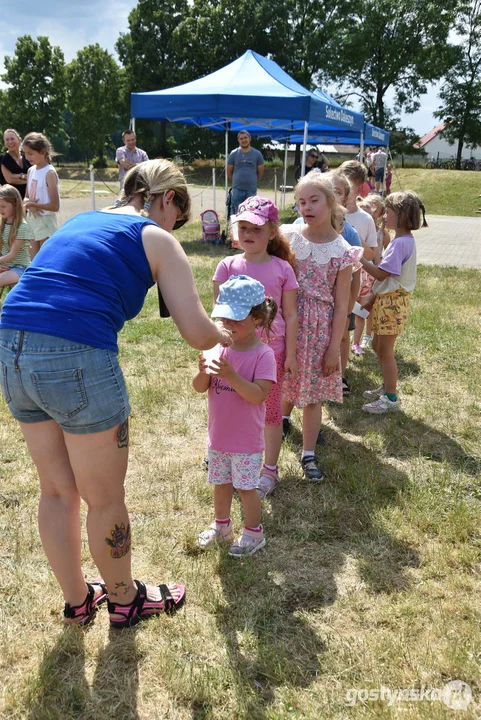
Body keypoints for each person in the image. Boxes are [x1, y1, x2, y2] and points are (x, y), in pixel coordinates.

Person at [0, 158, 232, 628]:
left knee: (56, 490)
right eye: (179, 218)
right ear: (169, 199)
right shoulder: (156, 237)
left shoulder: (86, 219)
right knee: (104, 497)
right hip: (76, 351)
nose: (176, 228)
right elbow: (196, 332)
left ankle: (78, 600)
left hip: (11, 342)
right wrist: (227, 335)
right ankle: (126, 600)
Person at [213, 197, 298, 497]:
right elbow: (218, 313)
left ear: (272, 232)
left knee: (270, 414)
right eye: (243, 227)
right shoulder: (227, 266)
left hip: (271, 354)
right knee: (233, 409)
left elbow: (290, 314)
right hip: (234, 353)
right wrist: (218, 347)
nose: (248, 234)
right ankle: (228, 456)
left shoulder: (283, 268)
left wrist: (291, 354)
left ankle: (269, 470)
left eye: (256, 229)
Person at [280, 174, 363, 482]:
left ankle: (308, 452)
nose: (307, 207)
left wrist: (333, 348)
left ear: (332, 202)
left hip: (319, 330)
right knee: (286, 379)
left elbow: (342, 304)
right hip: (288, 321)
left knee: (313, 394)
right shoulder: (289, 236)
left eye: (314, 200)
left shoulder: (342, 250)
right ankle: (282, 421)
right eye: (301, 201)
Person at [193, 275, 277, 557]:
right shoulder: (216, 348)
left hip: (246, 441)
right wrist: (203, 370)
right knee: (221, 484)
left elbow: (258, 395)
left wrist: (230, 374)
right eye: (223, 319)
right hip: (219, 437)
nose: (227, 326)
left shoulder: (262, 355)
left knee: (246, 489)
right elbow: (198, 388)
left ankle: (254, 533)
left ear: (257, 318)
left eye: (235, 320)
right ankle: (222, 526)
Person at [359, 191, 426, 414]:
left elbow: (380, 275)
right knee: (378, 346)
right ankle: (387, 385)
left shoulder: (400, 244)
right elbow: (388, 278)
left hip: (393, 304)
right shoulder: (402, 240)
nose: (384, 216)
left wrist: (359, 257)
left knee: (385, 350)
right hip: (389, 302)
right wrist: (372, 298)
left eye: (388, 212)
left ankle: (391, 398)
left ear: (402, 215)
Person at [328, 172, 362, 395]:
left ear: (346, 198)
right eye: (328, 189)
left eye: (337, 192)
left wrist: (350, 305)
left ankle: (339, 377)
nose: (332, 195)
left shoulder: (349, 233)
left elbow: (356, 275)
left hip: (341, 299)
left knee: (341, 335)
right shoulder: (302, 225)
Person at [353, 195, 391, 353]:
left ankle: (367, 336)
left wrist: (380, 265)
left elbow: (385, 248)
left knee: (368, 307)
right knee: (356, 307)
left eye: (376, 208)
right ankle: (355, 339)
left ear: (380, 212)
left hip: (372, 272)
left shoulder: (381, 232)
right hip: (359, 269)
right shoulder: (358, 228)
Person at [23, 132, 60, 259]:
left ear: (43, 152)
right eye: (25, 153)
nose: (27, 157)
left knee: (46, 259)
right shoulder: (30, 171)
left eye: (30, 153)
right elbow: (26, 197)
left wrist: (35, 205)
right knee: (32, 260)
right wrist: (30, 205)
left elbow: (55, 206)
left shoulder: (49, 173)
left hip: (46, 221)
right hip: (32, 219)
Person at [0, 185, 32, 289]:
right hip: (7, 266)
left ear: (15, 205)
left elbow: (12, 254)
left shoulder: (21, 227)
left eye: (3, 206)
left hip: (20, 268)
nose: (1, 210)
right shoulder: (3, 224)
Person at [227, 131, 264, 214]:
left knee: (251, 214)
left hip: (251, 190)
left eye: (245, 138)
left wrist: (251, 180)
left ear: (249, 138)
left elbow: (260, 172)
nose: (243, 140)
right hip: (236, 190)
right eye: (241, 138)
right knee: (235, 213)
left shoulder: (257, 154)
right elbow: (229, 172)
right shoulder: (233, 154)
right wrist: (237, 181)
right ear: (238, 140)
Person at [1, 129, 31, 200]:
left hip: (28, 198)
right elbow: (10, 179)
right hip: (10, 199)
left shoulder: (27, 156)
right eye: (7, 140)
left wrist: (18, 177)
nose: (10, 142)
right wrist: (27, 177)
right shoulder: (3, 158)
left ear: (19, 140)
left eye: (12, 139)